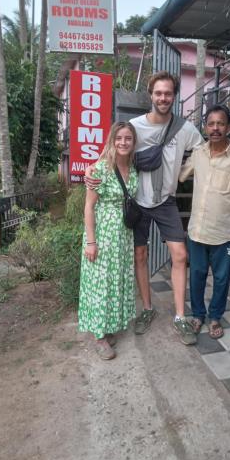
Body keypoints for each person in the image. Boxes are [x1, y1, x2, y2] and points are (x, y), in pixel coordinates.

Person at [85, 71, 230, 345]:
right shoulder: (135, 126)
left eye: (168, 93)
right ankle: (148, 309)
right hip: (137, 200)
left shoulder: (185, 129)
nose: (163, 98)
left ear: (174, 96)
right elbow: (114, 149)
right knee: (140, 255)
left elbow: (213, 147)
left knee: (180, 254)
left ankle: (179, 316)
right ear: (151, 95)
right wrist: (93, 166)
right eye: (158, 93)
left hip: (165, 202)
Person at [179, 104, 230, 339]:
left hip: (223, 233)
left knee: (221, 279)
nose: (216, 128)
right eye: (211, 124)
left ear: (228, 127)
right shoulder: (198, 153)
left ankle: (215, 317)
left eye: (221, 123)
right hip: (197, 231)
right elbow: (180, 174)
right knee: (197, 276)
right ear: (205, 127)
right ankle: (198, 316)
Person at [78, 121, 138, 360]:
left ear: (133, 143)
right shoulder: (101, 169)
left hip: (123, 236)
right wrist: (91, 242)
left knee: (116, 281)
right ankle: (99, 336)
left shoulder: (133, 169)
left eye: (128, 139)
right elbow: (89, 207)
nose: (123, 143)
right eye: (119, 138)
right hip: (102, 235)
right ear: (112, 141)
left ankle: (109, 325)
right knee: (100, 284)